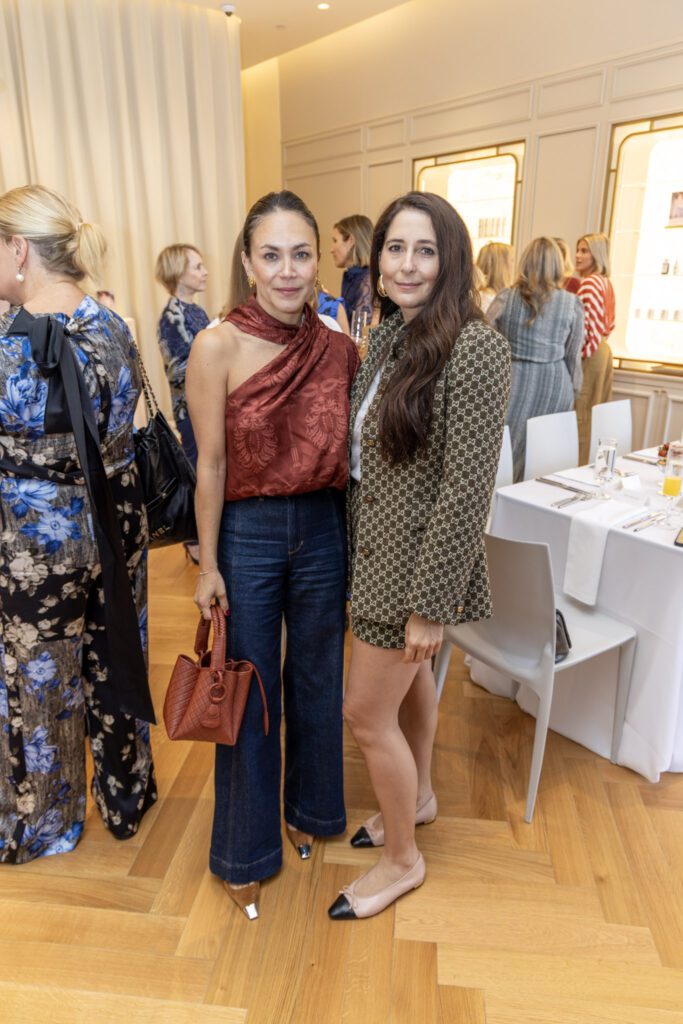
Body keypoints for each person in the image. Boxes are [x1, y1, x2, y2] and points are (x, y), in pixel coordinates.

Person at [327, 192, 510, 921]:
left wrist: (430, 607)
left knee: (365, 715)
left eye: (425, 250)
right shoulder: (390, 337)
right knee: (412, 694)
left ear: (450, 259)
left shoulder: (476, 348)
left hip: (411, 571)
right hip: (373, 555)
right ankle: (421, 795)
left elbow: (467, 491)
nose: (406, 264)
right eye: (395, 248)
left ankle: (403, 860)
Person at [186, 190, 360, 921]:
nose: (287, 271)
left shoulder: (339, 346)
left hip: (322, 525)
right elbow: (210, 465)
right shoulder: (216, 345)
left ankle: (310, 810)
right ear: (248, 262)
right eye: (271, 255)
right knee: (249, 689)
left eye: (300, 254)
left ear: (318, 260)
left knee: (317, 678)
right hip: (247, 530)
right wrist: (208, 565)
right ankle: (244, 851)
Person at [0, 184, 156, 863]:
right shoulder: (112, 325)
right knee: (116, 651)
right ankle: (126, 794)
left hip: (35, 540)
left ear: (19, 249)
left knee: (40, 679)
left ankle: (45, 821)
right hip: (117, 521)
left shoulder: (8, 349)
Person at [488, 237, 584, 481]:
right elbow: (573, 355)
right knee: (547, 459)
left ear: (525, 262)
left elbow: (486, 341)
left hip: (513, 384)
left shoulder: (506, 297)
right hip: (555, 386)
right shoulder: (571, 303)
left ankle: (499, 500)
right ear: (558, 264)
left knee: (505, 455)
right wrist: (574, 390)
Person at [155, 243, 209, 562]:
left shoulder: (197, 312)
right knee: (196, 475)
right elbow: (177, 369)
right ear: (178, 273)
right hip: (190, 411)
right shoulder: (170, 318)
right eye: (198, 267)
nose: (205, 272)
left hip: (208, 405)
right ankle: (192, 539)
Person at [573, 233, 616, 463]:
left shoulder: (589, 282)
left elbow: (584, 328)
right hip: (604, 349)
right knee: (597, 413)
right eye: (578, 250)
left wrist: (577, 356)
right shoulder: (605, 282)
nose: (578, 256)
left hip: (591, 352)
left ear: (596, 254)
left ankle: (579, 465)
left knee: (583, 414)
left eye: (584, 251)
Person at [331, 214, 374, 321]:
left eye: (335, 241)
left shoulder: (367, 280)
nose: (331, 250)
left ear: (350, 241)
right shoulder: (351, 277)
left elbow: (362, 328)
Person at [475, 241, 514, 315]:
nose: (514, 264)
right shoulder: (490, 300)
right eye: (512, 260)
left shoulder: (478, 296)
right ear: (501, 266)